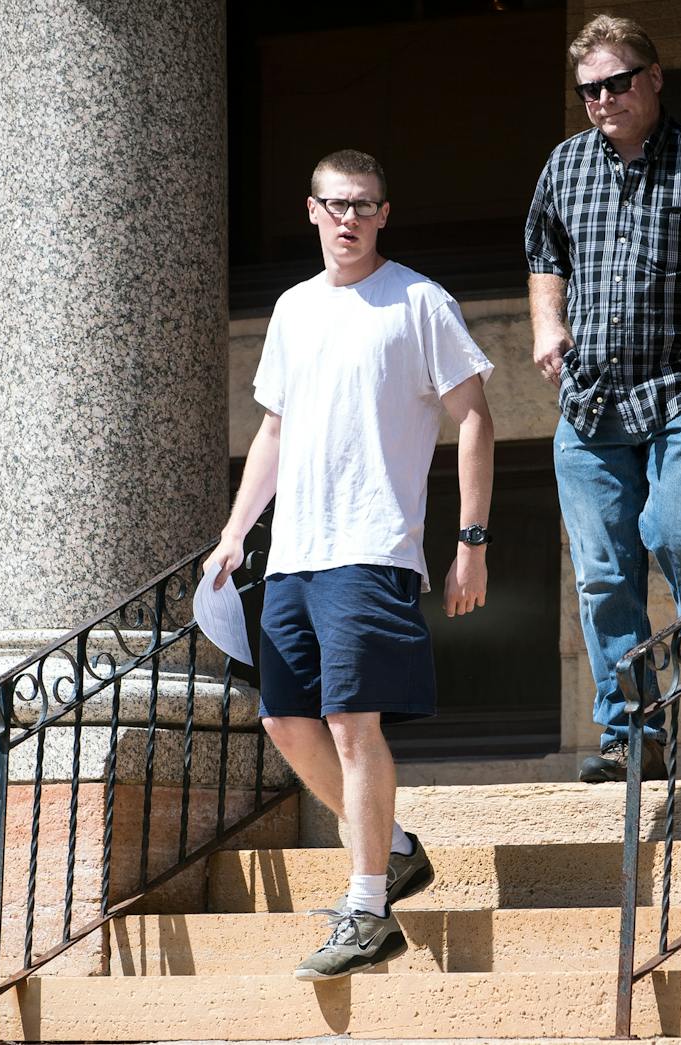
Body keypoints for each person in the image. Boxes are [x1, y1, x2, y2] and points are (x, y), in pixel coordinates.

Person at [205, 149, 495, 980]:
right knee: (284, 721)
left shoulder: (417, 301)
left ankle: (368, 908)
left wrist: (471, 541)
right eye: (335, 205)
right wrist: (235, 532)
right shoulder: (294, 308)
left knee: (350, 723)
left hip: (372, 550)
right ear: (311, 210)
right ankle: (395, 848)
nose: (348, 219)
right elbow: (273, 430)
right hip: (294, 554)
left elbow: (474, 415)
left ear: (383, 213)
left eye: (363, 206)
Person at [524, 15, 681, 784]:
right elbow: (544, 254)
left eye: (615, 83)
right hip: (592, 401)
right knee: (604, 570)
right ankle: (632, 730)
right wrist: (547, 323)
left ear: (654, 77)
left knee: (679, 533)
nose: (601, 100)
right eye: (588, 90)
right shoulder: (565, 165)